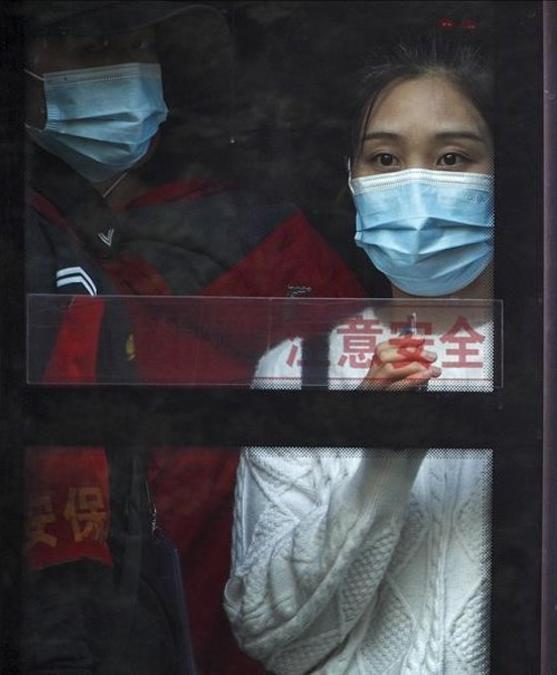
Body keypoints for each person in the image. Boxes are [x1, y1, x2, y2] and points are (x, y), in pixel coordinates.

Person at [22, 3, 363, 673]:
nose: (123, 67)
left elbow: (355, 442)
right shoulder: (30, 237)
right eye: (89, 44)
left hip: (249, 626)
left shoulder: (269, 244)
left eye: (141, 47)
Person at [224, 40, 495, 674]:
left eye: (453, 157)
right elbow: (269, 635)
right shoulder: (301, 368)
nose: (416, 182)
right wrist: (382, 464)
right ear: (353, 180)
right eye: (384, 158)